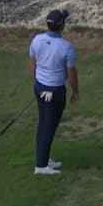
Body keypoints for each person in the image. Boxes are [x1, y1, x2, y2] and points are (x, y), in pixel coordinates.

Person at [29, 9, 80, 175]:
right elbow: (71, 72)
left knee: (43, 124)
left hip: (40, 87)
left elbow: (33, 64)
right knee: (48, 127)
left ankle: (44, 158)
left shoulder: (37, 40)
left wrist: (37, 84)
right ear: (61, 26)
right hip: (55, 92)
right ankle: (41, 166)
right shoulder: (66, 47)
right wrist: (75, 91)